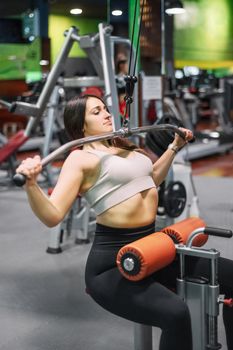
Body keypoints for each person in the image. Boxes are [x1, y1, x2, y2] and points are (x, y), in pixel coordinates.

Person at [16, 94, 233, 350]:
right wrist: (31, 184)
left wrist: (174, 146)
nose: (107, 114)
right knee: (175, 314)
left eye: (105, 109)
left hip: (154, 249)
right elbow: (53, 216)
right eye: (96, 112)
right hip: (112, 265)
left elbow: (152, 178)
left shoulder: (124, 146)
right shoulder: (80, 158)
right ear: (81, 125)